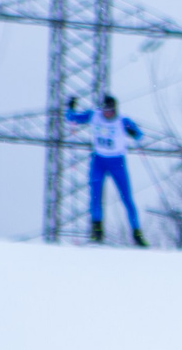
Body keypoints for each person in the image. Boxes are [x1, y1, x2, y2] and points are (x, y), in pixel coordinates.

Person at [63, 93, 146, 245]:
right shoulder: (94, 115)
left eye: (110, 110)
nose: (107, 113)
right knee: (95, 196)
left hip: (117, 162)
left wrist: (133, 133)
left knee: (126, 198)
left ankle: (137, 234)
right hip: (99, 161)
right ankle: (97, 232)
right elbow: (71, 118)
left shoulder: (122, 121)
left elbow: (140, 135)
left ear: (115, 109)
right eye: (105, 110)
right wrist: (70, 107)